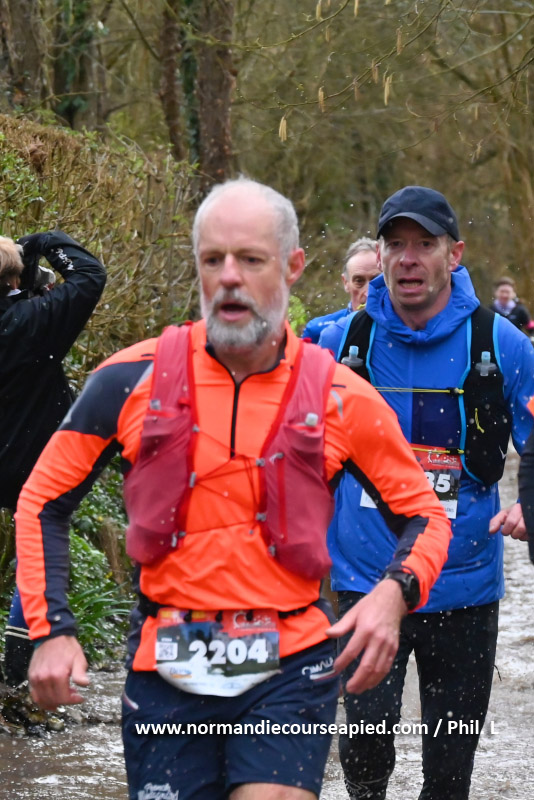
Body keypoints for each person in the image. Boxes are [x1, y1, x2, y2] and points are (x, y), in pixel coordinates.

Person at [15, 179, 451, 800]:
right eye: (213, 259)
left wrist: (394, 592)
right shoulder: (128, 379)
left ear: (292, 267)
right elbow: (43, 500)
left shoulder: (341, 396)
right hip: (166, 665)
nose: (228, 277)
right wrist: (52, 629)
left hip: (290, 664)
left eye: (250, 259)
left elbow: (425, 514)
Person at [330, 185, 534, 800]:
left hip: (464, 585)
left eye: (425, 244)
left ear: (455, 253)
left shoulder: (502, 344)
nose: (409, 258)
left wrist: (529, 504)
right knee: (364, 753)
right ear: (380, 256)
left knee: (450, 772)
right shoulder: (340, 343)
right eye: (396, 245)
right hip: (366, 580)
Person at [0, 230, 106, 685]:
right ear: (15, 278)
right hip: (30, 459)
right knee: (36, 551)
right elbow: (89, 275)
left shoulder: (27, 315)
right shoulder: (31, 322)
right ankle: (19, 674)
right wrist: (45, 241)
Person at [301, 237, 379, 343]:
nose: (368, 293)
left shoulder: (401, 328)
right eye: (359, 281)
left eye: (376, 281)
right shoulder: (318, 330)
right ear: (346, 282)